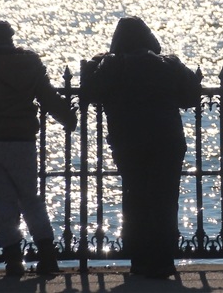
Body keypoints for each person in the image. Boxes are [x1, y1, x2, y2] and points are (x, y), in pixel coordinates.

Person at [80, 16, 201, 279]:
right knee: (165, 200)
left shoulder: (113, 65)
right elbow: (192, 95)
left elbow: (90, 92)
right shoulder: (169, 63)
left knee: (135, 198)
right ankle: (164, 260)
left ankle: (140, 260)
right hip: (167, 140)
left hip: (129, 140)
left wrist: (90, 66)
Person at [0, 20, 77, 277]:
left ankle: (13, 259)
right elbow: (48, 97)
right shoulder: (30, 64)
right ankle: (47, 255)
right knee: (30, 198)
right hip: (23, 140)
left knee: (1, 201)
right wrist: (68, 118)